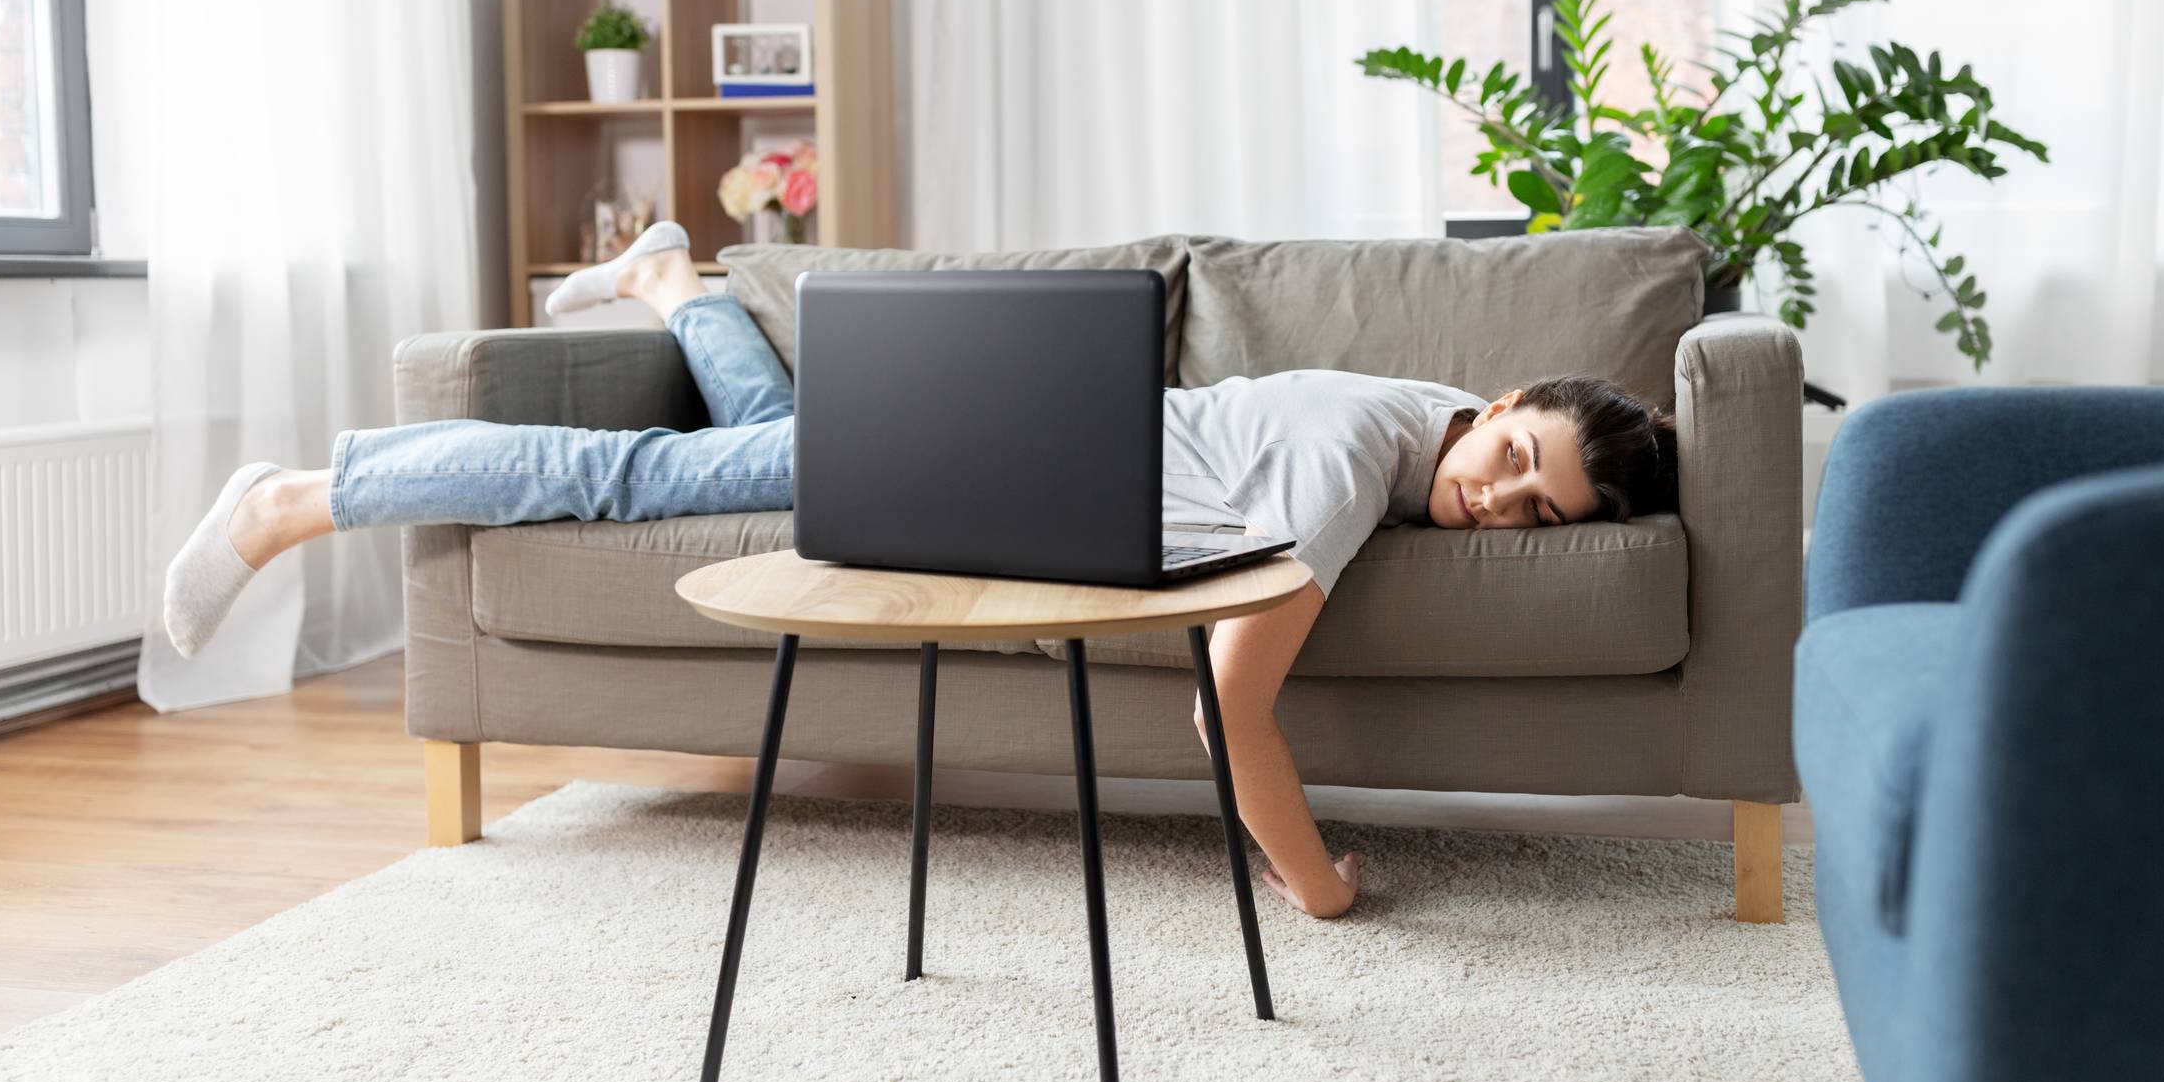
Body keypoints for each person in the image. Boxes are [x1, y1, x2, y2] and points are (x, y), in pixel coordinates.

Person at [163, 222, 1678, 921]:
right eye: (1518, 461)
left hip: (971, 453)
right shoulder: (1359, 463)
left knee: (776, 439)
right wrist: (1320, 886)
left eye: (1538, 518)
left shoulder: (1419, 422)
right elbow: (1235, 709)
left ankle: (672, 278)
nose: (1501, 506)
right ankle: (303, 492)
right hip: (965, 461)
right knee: (620, 480)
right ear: (1508, 399)